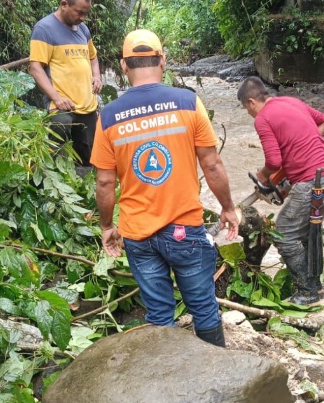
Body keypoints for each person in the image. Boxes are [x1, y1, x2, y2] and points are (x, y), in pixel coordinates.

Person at [91, 29, 239, 347]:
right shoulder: (188, 102)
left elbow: (104, 181)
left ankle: (166, 388)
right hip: (184, 228)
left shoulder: (109, 116)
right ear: (162, 60)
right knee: (203, 309)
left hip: (138, 235)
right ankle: (218, 383)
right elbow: (211, 165)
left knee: (159, 316)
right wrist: (228, 207)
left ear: (123, 66)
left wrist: (107, 226)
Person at [237, 76, 324, 305]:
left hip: (314, 182)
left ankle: (307, 292)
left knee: (284, 233)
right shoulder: (290, 101)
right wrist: (302, 149)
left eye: (246, 108)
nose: (248, 113)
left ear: (251, 101)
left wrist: (263, 175)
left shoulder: (263, 118)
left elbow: (274, 161)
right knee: (308, 234)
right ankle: (316, 288)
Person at [29, 0, 103, 169]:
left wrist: (97, 76)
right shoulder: (44, 29)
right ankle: (52, 187)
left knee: (88, 157)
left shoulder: (83, 30)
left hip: (87, 105)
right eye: (79, 12)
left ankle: (83, 192)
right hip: (61, 105)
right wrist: (57, 98)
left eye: (86, 13)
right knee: (57, 146)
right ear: (64, 5)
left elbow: (93, 57)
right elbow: (36, 68)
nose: (83, 18)